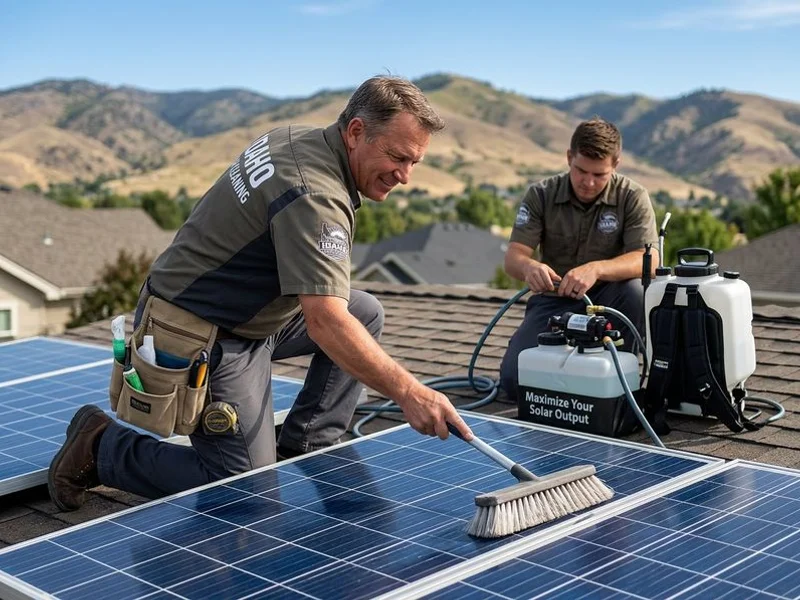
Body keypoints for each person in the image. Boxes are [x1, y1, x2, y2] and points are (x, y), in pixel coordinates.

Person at [48, 75, 474, 511]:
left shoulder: (298, 138)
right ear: (356, 132)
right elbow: (324, 321)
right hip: (198, 330)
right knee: (247, 497)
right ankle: (101, 447)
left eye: (414, 162)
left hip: (249, 314)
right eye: (397, 157)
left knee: (363, 311)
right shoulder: (315, 194)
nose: (405, 176)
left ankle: (309, 441)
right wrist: (410, 393)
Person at [499, 117, 658, 402]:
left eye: (599, 174)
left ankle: (619, 383)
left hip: (611, 303)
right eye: (581, 170)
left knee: (635, 292)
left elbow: (649, 261)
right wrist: (530, 267)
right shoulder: (541, 194)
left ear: (616, 164)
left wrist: (596, 269)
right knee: (514, 382)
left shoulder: (633, 196)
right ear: (569, 157)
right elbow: (513, 258)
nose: (588, 182)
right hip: (554, 302)